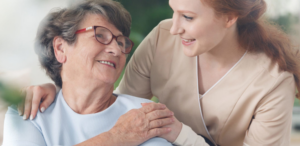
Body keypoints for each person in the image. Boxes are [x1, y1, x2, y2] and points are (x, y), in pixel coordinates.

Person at [20, 0, 300, 145]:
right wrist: (61, 89)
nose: (174, 27)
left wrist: (177, 133)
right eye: (173, 11)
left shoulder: (273, 83)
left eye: (188, 17)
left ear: (229, 17)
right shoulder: (164, 37)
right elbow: (115, 111)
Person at [2, 0, 176, 145]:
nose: (116, 50)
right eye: (100, 35)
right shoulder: (28, 110)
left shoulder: (144, 116)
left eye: (122, 42)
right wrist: (116, 137)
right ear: (61, 48)